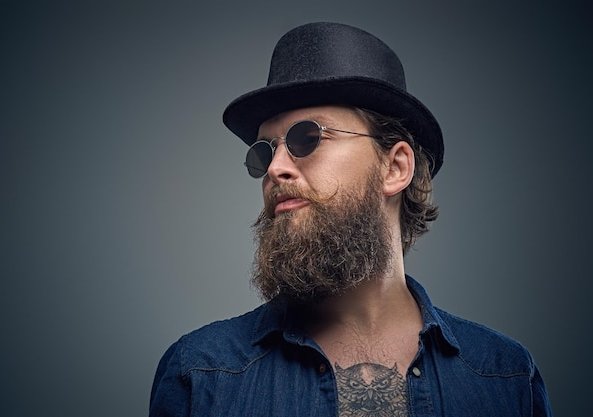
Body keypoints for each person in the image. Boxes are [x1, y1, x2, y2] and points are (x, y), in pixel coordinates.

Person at [149, 22, 552, 416]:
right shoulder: (200, 375)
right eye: (264, 152)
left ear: (394, 168)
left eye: (306, 138)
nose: (275, 169)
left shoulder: (505, 377)